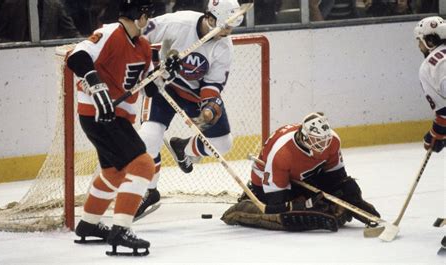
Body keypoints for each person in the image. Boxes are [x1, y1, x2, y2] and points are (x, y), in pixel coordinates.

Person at [66, 0, 178, 256]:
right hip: (100, 114)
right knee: (143, 165)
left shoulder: (144, 46)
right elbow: (77, 57)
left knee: (114, 171)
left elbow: (149, 86)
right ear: (138, 15)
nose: (149, 20)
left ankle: (89, 224)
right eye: (147, 15)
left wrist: (166, 73)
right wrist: (95, 83)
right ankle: (120, 230)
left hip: (118, 117)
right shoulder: (109, 33)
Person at [135, 0, 245, 215]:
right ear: (211, 18)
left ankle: (182, 149)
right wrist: (150, 68)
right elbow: (138, 36)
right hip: (162, 86)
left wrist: (209, 108)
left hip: (193, 95)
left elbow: (212, 84)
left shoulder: (224, 46)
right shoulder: (178, 22)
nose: (228, 32)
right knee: (149, 137)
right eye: (226, 26)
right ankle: (149, 191)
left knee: (223, 144)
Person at [221, 112, 381, 232]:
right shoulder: (282, 153)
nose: (323, 146)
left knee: (349, 188)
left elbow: (337, 177)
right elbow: (277, 200)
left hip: (303, 176)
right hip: (270, 184)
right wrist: (306, 204)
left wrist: (353, 199)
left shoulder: (333, 141)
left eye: (326, 140)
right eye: (317, 141)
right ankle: (247, 203)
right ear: (304, 138)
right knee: (291, 213)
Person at [414, 16, 446, 154]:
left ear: (430, 41)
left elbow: (444, 113)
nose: (419, 46)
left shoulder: (430, 65)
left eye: (420, 41)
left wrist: (435, 135)